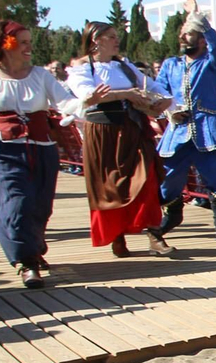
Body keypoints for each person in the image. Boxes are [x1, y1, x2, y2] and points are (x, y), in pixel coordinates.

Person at [0, 20, 81, 287]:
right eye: (23, 42)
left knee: (39, 207)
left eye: (29, 42)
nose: (29, 48)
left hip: (42, 149)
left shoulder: (40, 75)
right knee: (17, 204)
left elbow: (65, 101)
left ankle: (33, 248)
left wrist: (86, 102)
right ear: (6, 44)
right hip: (2, 150)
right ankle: (27, 262)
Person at [146, 0, 216, 249]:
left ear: (201, 39)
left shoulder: (211, 62)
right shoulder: (171, 64)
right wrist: (169, 112)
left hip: (208, 130)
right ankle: (171, 216)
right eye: (182, 33)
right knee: (168, 180)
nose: (182, 37)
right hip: (178, 131)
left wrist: (196, 16)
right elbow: (159, 92)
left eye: (188, 33)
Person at [66, 21, 170, 257]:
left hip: (132, 128)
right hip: (103, 132)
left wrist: (165, 101)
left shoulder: (123, 66)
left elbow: (151, 86)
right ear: (96, 40)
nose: (117, 40)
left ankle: (155, 234)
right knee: (110, 186)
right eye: (111, 36)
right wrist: (126, 94)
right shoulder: (82, 68)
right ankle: (117, 236)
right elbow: (87, 96)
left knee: (148, 176)